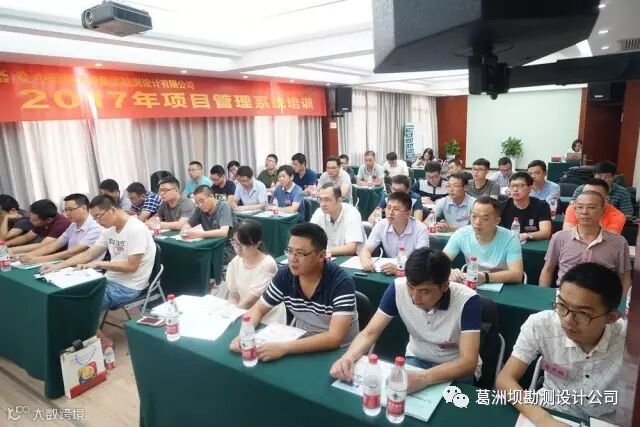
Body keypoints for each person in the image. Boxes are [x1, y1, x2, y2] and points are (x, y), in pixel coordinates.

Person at [330, 247, 481, 389]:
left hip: (454, 366)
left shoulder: (467, 301)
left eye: (425, 291)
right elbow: (370, 333)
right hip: (417, 358)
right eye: (410, 287)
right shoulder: (398, 288)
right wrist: (348, 357)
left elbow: (468, 362)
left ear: (445, 286)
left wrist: (424, 378)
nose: (415, 297)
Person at [497, 263, 626, 424]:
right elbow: (505, 380)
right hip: (551, 409)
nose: (567, 320)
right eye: (562, 305)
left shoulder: (630, 341)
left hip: (605, 420)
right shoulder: (541, 325)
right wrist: (543, 419)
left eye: (583, 313)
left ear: (611, 317)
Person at [229, 223, 359, 362]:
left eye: (300, 253)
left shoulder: (341, 283)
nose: (292, 258)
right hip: (300, 342)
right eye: (290, 251)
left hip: (339, 353)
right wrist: (244, 334)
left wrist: (284, 348)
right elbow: (258, 309)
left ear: (321, 255)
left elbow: (335, 337)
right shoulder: (285, 275)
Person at [40, 195, 156, 347]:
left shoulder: (136, 229)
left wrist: (99, 263)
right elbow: (88, 254)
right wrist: (57, 267)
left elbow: (131, 266)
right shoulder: (109, 230)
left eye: (98, 216)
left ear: (112, 210)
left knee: (76, 305)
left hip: (128, 286)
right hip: (108, 280)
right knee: (68, 295)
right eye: (94, 218)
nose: (97, 221)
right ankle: (82, 338)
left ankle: (104, 343)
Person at [540, 191, 631, 296]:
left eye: (591, 207)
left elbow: (625, 278)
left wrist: (622, 303)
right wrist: (543, 296)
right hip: (565, 296)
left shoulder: (618, 242)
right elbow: (547, 270)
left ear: (603, 211)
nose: (584, 212)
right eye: (580, 207)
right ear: (575, 211)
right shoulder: (559, 237)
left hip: (602, 298)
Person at [443, 196, 524, 284]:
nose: (477, 222)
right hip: (471, 285)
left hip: (501, 285)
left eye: (484, 219)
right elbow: (439, 262)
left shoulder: (510, 238)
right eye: (474, 216)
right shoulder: (461, 234)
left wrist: (485, 277)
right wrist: (450, 271)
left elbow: (517, 275)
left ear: (497, 221)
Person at [17, 194, 104, 265]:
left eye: (70, 209)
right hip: (69, 265)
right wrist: (24, 256)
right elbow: (54, 245)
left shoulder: (95, 227)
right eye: (65, 210)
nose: (67, 213)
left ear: (84, 208)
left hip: (88, 269)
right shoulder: (73, 225)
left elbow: (72, 252)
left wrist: (37, 259)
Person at [226, 220, 285, 325]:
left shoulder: (267, 264)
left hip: (268, 318)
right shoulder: (236, 261)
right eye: (235, 243)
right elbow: (233, 295)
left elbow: (250, 301)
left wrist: (234, 315)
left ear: (257, 244)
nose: (238, 249)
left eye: (244, 245)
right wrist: (231, 311)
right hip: (244, 312)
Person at [360, 191, 429, 275]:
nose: (390, 212)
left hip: (411, 274)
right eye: (388, 208)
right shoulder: (381, 224)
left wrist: (400, 269)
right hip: (387, 270)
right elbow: (366, 249)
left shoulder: (421, 229)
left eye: (396, 209)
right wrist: (366, 261)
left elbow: (421, 261)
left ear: (408, 213)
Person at [184, 185, 237, 263]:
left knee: (205, 260)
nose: (200, 205)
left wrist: (199, 234)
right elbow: (188, 224)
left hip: (228, 247)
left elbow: (223, 232)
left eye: (202, 201)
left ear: (211, 196)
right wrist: (185, 231)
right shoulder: (199, 209)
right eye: (197, 203)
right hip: (211, 245)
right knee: (189, 256)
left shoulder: (224, 206)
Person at [310, 183, 365, 256]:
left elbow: (351, 249)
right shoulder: (319, 212)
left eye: (327, 200)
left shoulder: (352, 213)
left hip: (354, 258)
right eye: (320, 199)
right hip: (328, 257)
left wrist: (322, 251)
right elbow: (309, 239)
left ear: (339, 200)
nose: (322, 204)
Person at [499, 172, 552, 242]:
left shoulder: (542, 205)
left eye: (520, 186)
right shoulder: (502, 206)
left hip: (534, 243)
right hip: (509, 242)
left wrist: (526, 236)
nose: (515, 189)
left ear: (530, 188)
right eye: (512, 186)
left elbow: (546, 233)